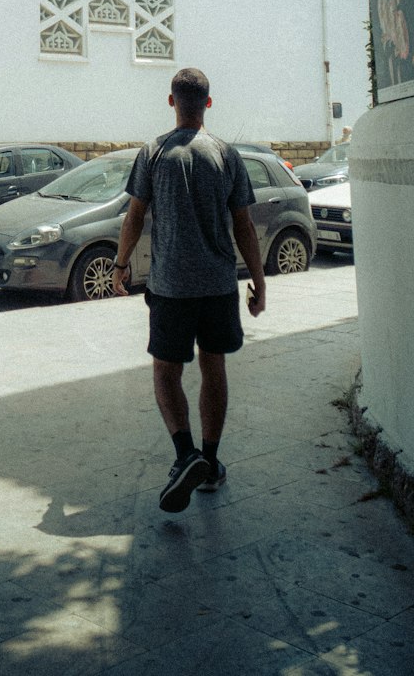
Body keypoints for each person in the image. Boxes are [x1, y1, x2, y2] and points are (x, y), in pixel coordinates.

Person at [112, 67, 266, 514]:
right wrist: (258, 281)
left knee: (166, 372)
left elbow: (134, 216)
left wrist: (120, 265)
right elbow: (245, 226)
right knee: (213, 367)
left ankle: (185, 455)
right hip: (218, 286)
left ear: (171, 102)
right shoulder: (226, 155)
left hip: (171, 287)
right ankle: (211, 464)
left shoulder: (153, 152)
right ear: (209, 104)